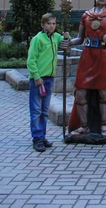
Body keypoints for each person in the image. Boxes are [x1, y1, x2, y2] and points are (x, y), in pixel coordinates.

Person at [66, 0, 106, 138]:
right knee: (80, 92)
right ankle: (84, 126)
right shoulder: (86, 15)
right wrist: (69, 43)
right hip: (87, 56)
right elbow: (80, 38)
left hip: (103, 55)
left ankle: (104, 127)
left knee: (104, 92)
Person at [27, 13, 69, 152]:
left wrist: (67, 37)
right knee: (36, 110)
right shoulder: (37, 39)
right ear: (43, 25)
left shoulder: (56, 37)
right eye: (49, 23)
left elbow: (67, 42)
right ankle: (37, 138)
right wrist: (36, 77)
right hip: (39, 79)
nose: (52, 26)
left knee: (44, 111)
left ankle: (42, 135)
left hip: (49, 78)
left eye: (54, 24)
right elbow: (31, 60)